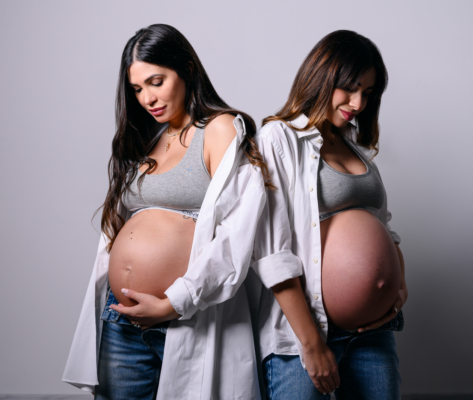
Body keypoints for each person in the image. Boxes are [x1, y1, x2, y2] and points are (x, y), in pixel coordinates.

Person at [62, 24, 292, 400]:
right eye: (137, 89)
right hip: (122, 319)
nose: (147, 98)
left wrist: (173, 302)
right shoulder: (147, 138)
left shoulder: (219, 129)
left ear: (186, 69)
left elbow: (238, 235)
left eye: (156, 81)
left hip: (188, 317)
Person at [254, 30, 408, 399]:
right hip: (304, 335)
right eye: (350, 88)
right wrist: (312, 345)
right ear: (322, 76)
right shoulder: (280, 138)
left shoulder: (355, 147)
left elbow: (383, 229)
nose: (358, 103)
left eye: (368, 93)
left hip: (373, 332)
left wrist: (397, 286)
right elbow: (273, 253)